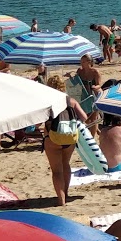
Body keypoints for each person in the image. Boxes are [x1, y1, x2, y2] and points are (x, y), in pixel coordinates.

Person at [42, 75, 88, 206]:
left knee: (57, 171)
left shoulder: (48, 102)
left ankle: (61, 200)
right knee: (66, 164)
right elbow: (84, 117)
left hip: (53, 138)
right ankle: (66, 194)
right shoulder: (71, 101)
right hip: (69, 137)